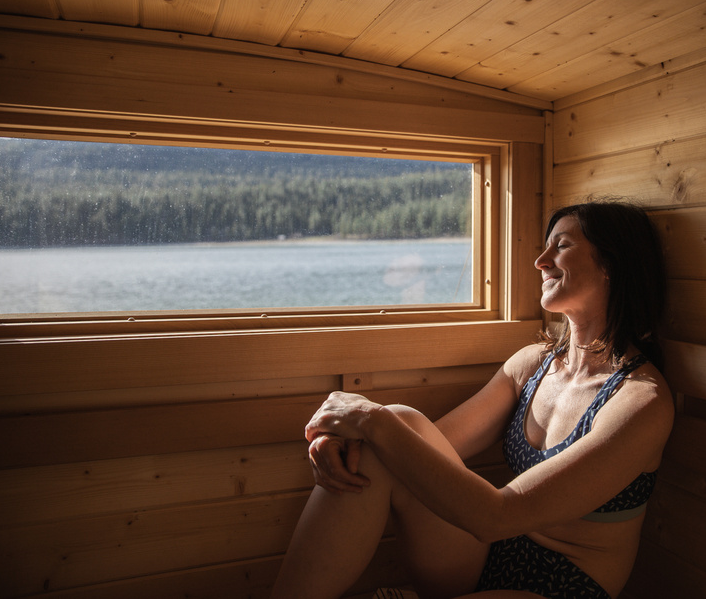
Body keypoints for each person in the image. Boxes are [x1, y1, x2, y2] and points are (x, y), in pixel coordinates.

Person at [271, 201, 675, 599]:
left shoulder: (640, 402)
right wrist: (342, 438)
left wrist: (370, 421)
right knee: (395, 430)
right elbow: (415, 454)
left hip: (563, 582)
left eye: (562, 246)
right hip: (482, 555)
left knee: (386, 425)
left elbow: (499, 516)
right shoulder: (534, 365)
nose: (541, 260)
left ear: (611, 265)